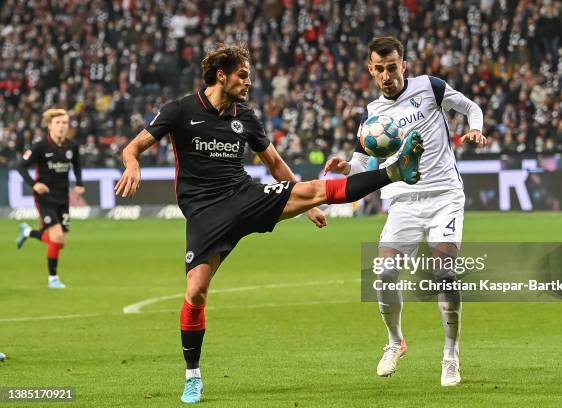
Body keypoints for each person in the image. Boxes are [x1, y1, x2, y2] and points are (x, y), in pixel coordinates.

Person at [113, 43, 424, 404]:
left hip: (244, 197)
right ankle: (193, 376)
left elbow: (275, 164)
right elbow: (132, 147)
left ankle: (394, 170)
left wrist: (306, 206)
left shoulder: (245, 117)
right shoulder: (180, 110)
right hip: (205, 214)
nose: (248, 83)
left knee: (316, 190)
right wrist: (132, 163)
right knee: (196, 293)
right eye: (243, 76)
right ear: (221, 76)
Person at [325, 36, 487, 386]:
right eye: (379, 69)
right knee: (383, 274)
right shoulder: (372, 114)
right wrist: (345, 168)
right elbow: (364, 162)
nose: (386, 75)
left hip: (444, 195)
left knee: (444, 275)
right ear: (370, 70)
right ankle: (395, 342)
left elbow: (471, 107)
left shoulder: (430, 87)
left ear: (404, 65)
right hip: (402, 200)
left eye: (392, 67)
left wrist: (475, 128)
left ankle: (450, 355)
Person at [16, 108, 85, 289]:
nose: (62, 126)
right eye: (58, 123)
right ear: (50, 126)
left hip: (63, 198)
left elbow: (77, 165)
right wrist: (34, 184)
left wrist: (79, 183)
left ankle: (28, 232)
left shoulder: (72, 146)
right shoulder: (39, 147)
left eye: (64, 123)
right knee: (56, 236)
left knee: (60, 242)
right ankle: (53, 279)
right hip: (44, 197)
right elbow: (21, 166)